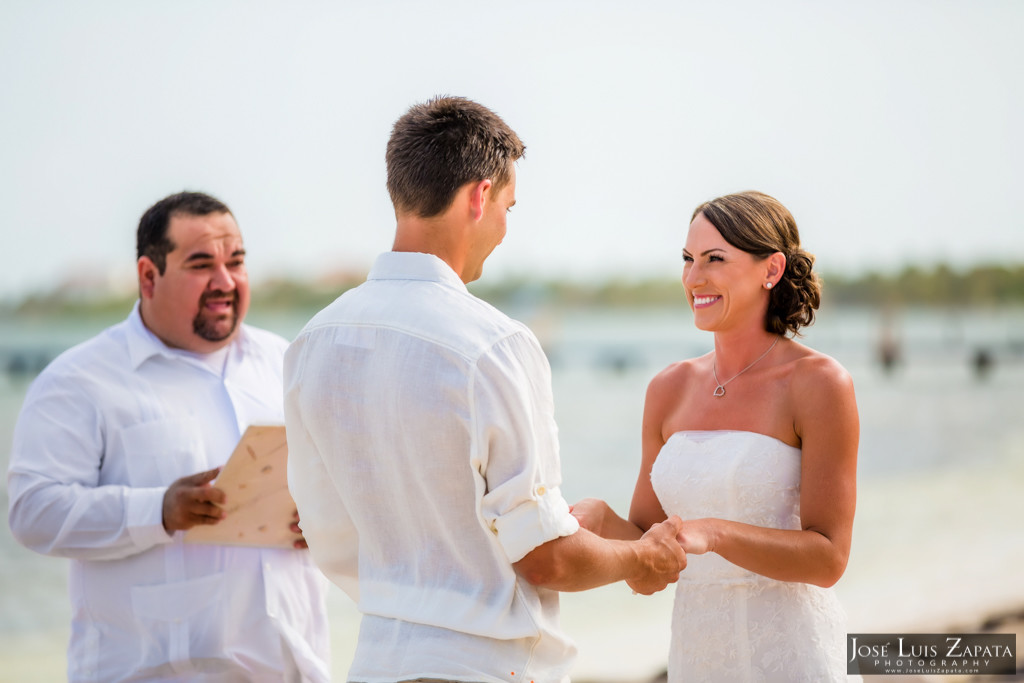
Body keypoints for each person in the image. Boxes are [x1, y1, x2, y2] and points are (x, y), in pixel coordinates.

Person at [284, 96, 687, 683]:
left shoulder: (311, 343)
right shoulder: (494, 345)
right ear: (479, 196)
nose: (504, 228)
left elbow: (324, 528)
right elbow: (545, 558)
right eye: (508, 206)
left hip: (375, 661)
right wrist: (640, 557)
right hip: (488, 665)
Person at [7, 191, 331, 682]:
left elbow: (331, 487)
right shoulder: (78, 381)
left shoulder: (285, 362)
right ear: (148, 276)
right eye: (202, 264)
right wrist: (158, 511)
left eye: (236, 262)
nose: (225, 282)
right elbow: (32, 512)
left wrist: (325, 521)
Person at [573, 191, 859, 682]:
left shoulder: (819, 384)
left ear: (770, 270)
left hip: (794, 659)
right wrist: (599, 520)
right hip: (697, 660)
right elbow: (647, 559)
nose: (693, 278)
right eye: (687, 260)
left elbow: (828, 558)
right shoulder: (668, 389)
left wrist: (715, 533)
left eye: (714, 259)